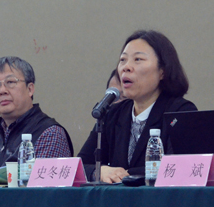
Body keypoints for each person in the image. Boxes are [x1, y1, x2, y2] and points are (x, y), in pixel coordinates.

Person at [78, 30, 196, 183]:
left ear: (163, 71)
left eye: (138, 59)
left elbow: (180, 168)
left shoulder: (180, 112)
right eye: (123, 60)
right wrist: (99, 171)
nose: (126, 67)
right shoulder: (112, 114)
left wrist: (124, 174)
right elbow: (80, 165)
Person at [0, 56, 73, 176]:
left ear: (30, 89)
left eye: (10, 82)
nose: (2, 90)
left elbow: (44, 186)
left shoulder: (50, 134)